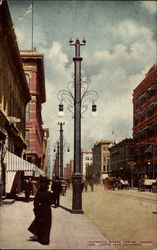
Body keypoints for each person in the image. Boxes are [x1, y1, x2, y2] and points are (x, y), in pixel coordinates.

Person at [28, 176, 54, 245]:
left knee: (41, 224)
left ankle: (41, 238)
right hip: (48, 210)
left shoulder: (39, 193)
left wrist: (36, 210)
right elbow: (52, 201)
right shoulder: (49, 193)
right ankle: (45, 240)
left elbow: (35, 203)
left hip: (41, 210)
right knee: (47, 225)